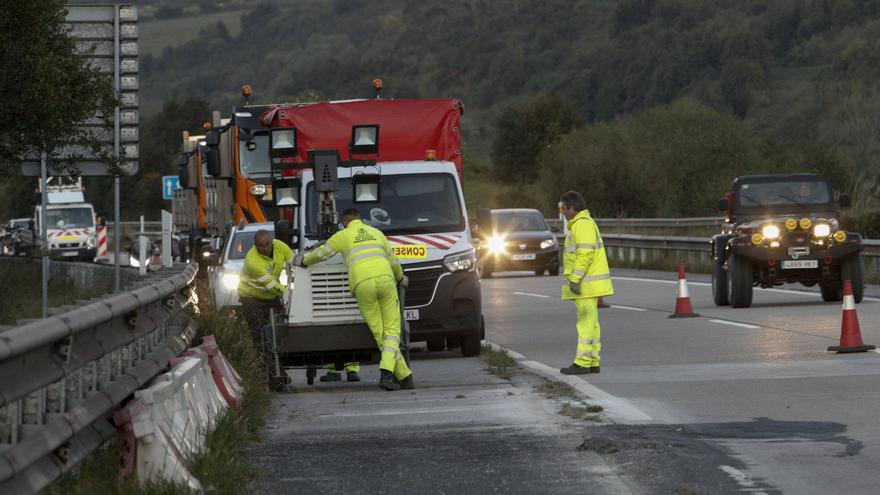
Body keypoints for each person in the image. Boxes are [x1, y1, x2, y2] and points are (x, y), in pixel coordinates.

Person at [294, 208, 413, 391]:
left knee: (380, 333)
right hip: (386, 281)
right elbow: (394, 262)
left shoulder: (343, 235)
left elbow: (321, 253)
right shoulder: (377, 233)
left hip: (363, 284)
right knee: (391, 332)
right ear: (360, 220)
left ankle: (399, 376)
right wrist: (399, 278)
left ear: (345, 222)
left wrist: (303, 261)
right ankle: (398, 375)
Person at [558, 191, 614, 375]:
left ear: (571, 208)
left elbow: (585, 254)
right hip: (590, 284)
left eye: (563, 208)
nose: (562, 212)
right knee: (592, 323)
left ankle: (582, 362)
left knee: (585, 324)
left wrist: (575, 279)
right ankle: (592, 361)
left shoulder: (581, 225)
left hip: (585, 285)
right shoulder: (584, 223)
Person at [237, 230, 293, 386]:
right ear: (255, 245)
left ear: (272, 242)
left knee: (282, 330)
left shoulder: (280, 246)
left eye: (267, 244)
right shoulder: (252, 262)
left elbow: (294, 263)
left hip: (271, 297)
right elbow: (272, 287)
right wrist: (289, 293)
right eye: (261, 246)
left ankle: (280, 369)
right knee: (261, 336)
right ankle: (268, 374)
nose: (265, 248)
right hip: (252, 298)